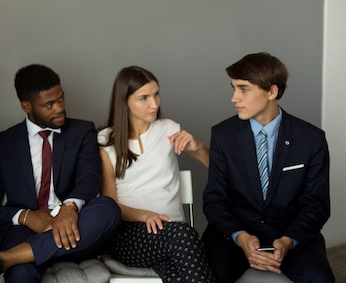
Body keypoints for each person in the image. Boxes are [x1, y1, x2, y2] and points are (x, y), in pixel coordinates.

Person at [0, 64, 121, 283]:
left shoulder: (82, 131)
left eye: (61, 99)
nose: (59, 108)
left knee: (108, 208)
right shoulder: (3, 144)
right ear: (26, 106)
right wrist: (26, 216)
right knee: (21, 274)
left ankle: (5, 258)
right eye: (49, 104)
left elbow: (89, 178)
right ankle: (20, 256)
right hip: (25, 231)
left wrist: (69, 208)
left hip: (77, 231)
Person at [202, 52, 334, 283]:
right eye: (233, 88)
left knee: (320, 279)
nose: (234, 98)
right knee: (204, 277)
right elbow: (214, 200)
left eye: (243, 89)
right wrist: (240, 237)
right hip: (234, 236)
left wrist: (287, 241)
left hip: (291, 235)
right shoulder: (222, 135)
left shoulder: (311, 138)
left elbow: (317, 203)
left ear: (271, 92)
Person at [98, 66, 216, 283]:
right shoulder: (106, 142)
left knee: (178, 270)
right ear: (124, 101)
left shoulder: (169, 129)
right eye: (144, 98)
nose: (154, 104)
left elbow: (216, 164)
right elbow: (108, 204)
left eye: (156, 94)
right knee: (186, 238)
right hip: (130, 235)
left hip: (173, 235)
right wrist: (145, 215)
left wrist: (195, 145)